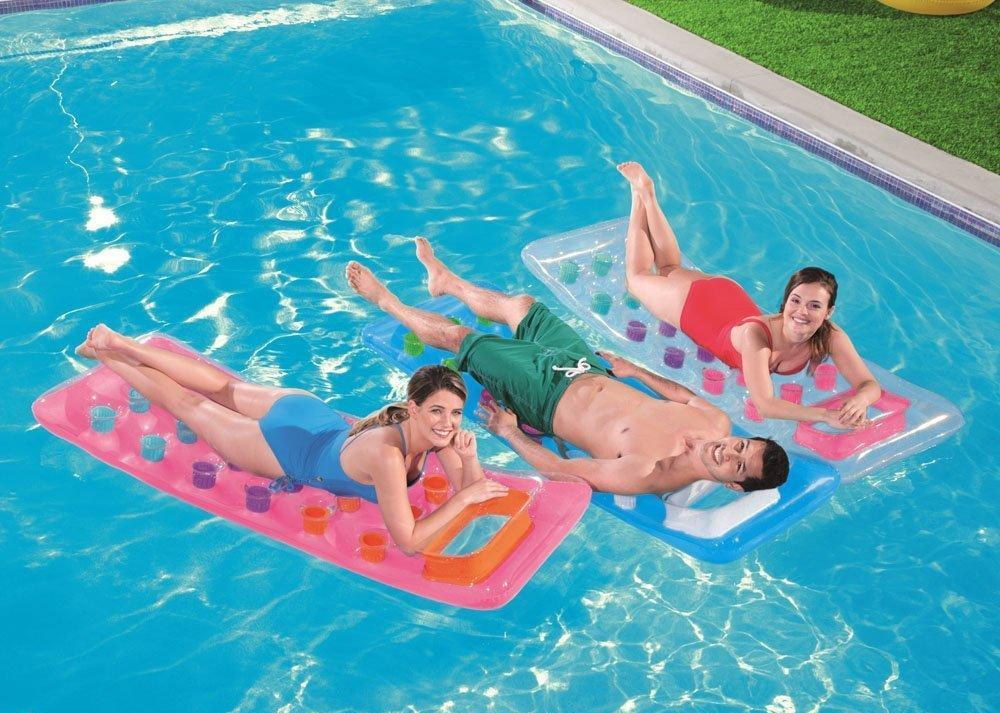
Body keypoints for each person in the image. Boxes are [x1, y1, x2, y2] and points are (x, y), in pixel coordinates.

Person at [345, 238, 789, 496]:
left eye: (735, 465)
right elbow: (683, 394)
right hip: (587, 369)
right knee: (522, 306)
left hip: (544, 396)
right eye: (741, 446)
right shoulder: (715, 420)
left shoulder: (648, 472)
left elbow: (561, 471)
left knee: (463, 339)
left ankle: (386, 301)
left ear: (732, 484)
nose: (728, 451)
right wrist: (636, 372)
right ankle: (448, 283)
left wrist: (509, 431)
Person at [74, 325, 508, 554]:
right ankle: (109, 354)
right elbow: (410, 543)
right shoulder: (388, 456)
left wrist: (468, 460)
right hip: (288, 451)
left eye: (454, 412)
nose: (449, 422)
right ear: (413, 409)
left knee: (224, 388)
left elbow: (471, 488)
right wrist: (464, 500)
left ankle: (122, 343)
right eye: (438, 411)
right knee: (192, 406)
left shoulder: (439, 432)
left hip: (310, 412)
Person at [616, 160, 881, 429]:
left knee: (670, 269)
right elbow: (765, 404)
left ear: (828, 312)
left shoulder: (831, 335)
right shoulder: (757, 337)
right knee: (636, 278)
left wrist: (861, 400)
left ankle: (647, 197)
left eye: (814, 306)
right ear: (786, 301)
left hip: (728, 297)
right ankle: (641, 195)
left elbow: (870, 385)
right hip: (695, 306)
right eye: (796, 301)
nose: (802, 312)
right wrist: (825, 415)